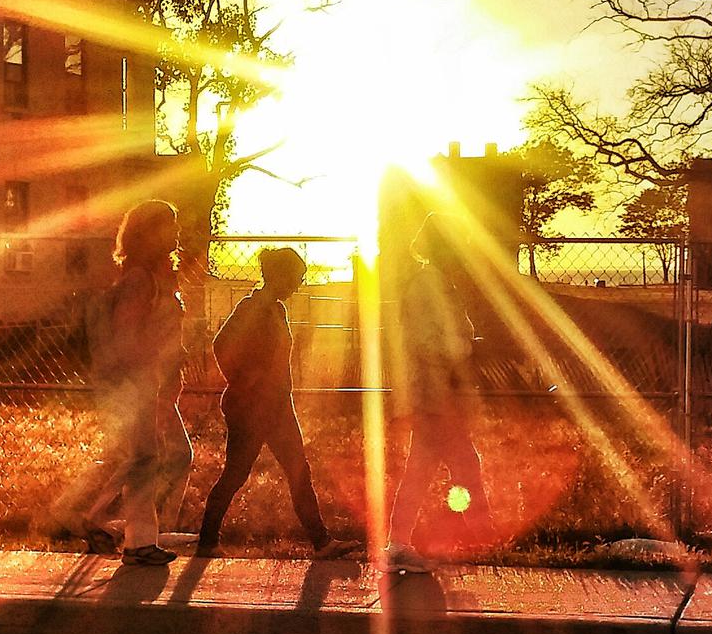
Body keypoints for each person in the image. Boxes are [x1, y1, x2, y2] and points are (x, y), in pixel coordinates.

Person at [197, 248, 358, 558]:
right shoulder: (252, 307)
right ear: (279, 276)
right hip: (252, 409)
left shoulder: (277, 310)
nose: (299, 284)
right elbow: (221, 344)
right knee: (236, 474)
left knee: (298, 470)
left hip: (278, 406)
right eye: (297, 278)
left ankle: (321, 542)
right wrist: (243, 380)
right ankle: (206, 541)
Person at [52, 200, 189, 566]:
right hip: (135, 382)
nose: (176, 231)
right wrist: (150, 380)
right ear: (150, 232)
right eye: (169, 224)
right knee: (144, 458)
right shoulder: (139, 279)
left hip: (147, 381)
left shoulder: (155, 275)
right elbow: (128, 337)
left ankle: (102, 521)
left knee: (154, 457)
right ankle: (129, 537)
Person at [384, 213, 492, 574]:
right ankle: (474, 535)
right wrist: (462, 346)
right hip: (433, 391)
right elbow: (427, 339)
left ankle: (409, 541)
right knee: (459, 463)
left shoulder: (435, 282)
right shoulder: (428, 284)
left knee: (431, 466)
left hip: (436, 391)